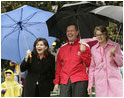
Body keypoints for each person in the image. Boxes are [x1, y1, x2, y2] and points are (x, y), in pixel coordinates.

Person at [53, 24, 91, 97]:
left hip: (80, 79)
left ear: (77, 32)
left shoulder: (85, 46)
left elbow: (89, 64)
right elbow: (58, 67)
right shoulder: (62, 48)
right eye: (68, 31)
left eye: (72, 31)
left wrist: (83, 52)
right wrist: (56, 83)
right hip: (65, 80)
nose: (69, 33)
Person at [87, 25, 123, 97]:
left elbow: (121, 64)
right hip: (100, 83)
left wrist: (114, 54)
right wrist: (90, 84)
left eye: (101, 34)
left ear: (105, 34)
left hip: (114, 82)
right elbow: (92, 68)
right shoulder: (93, 49)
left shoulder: (115, 46)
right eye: (97, 35)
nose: (99, 37)